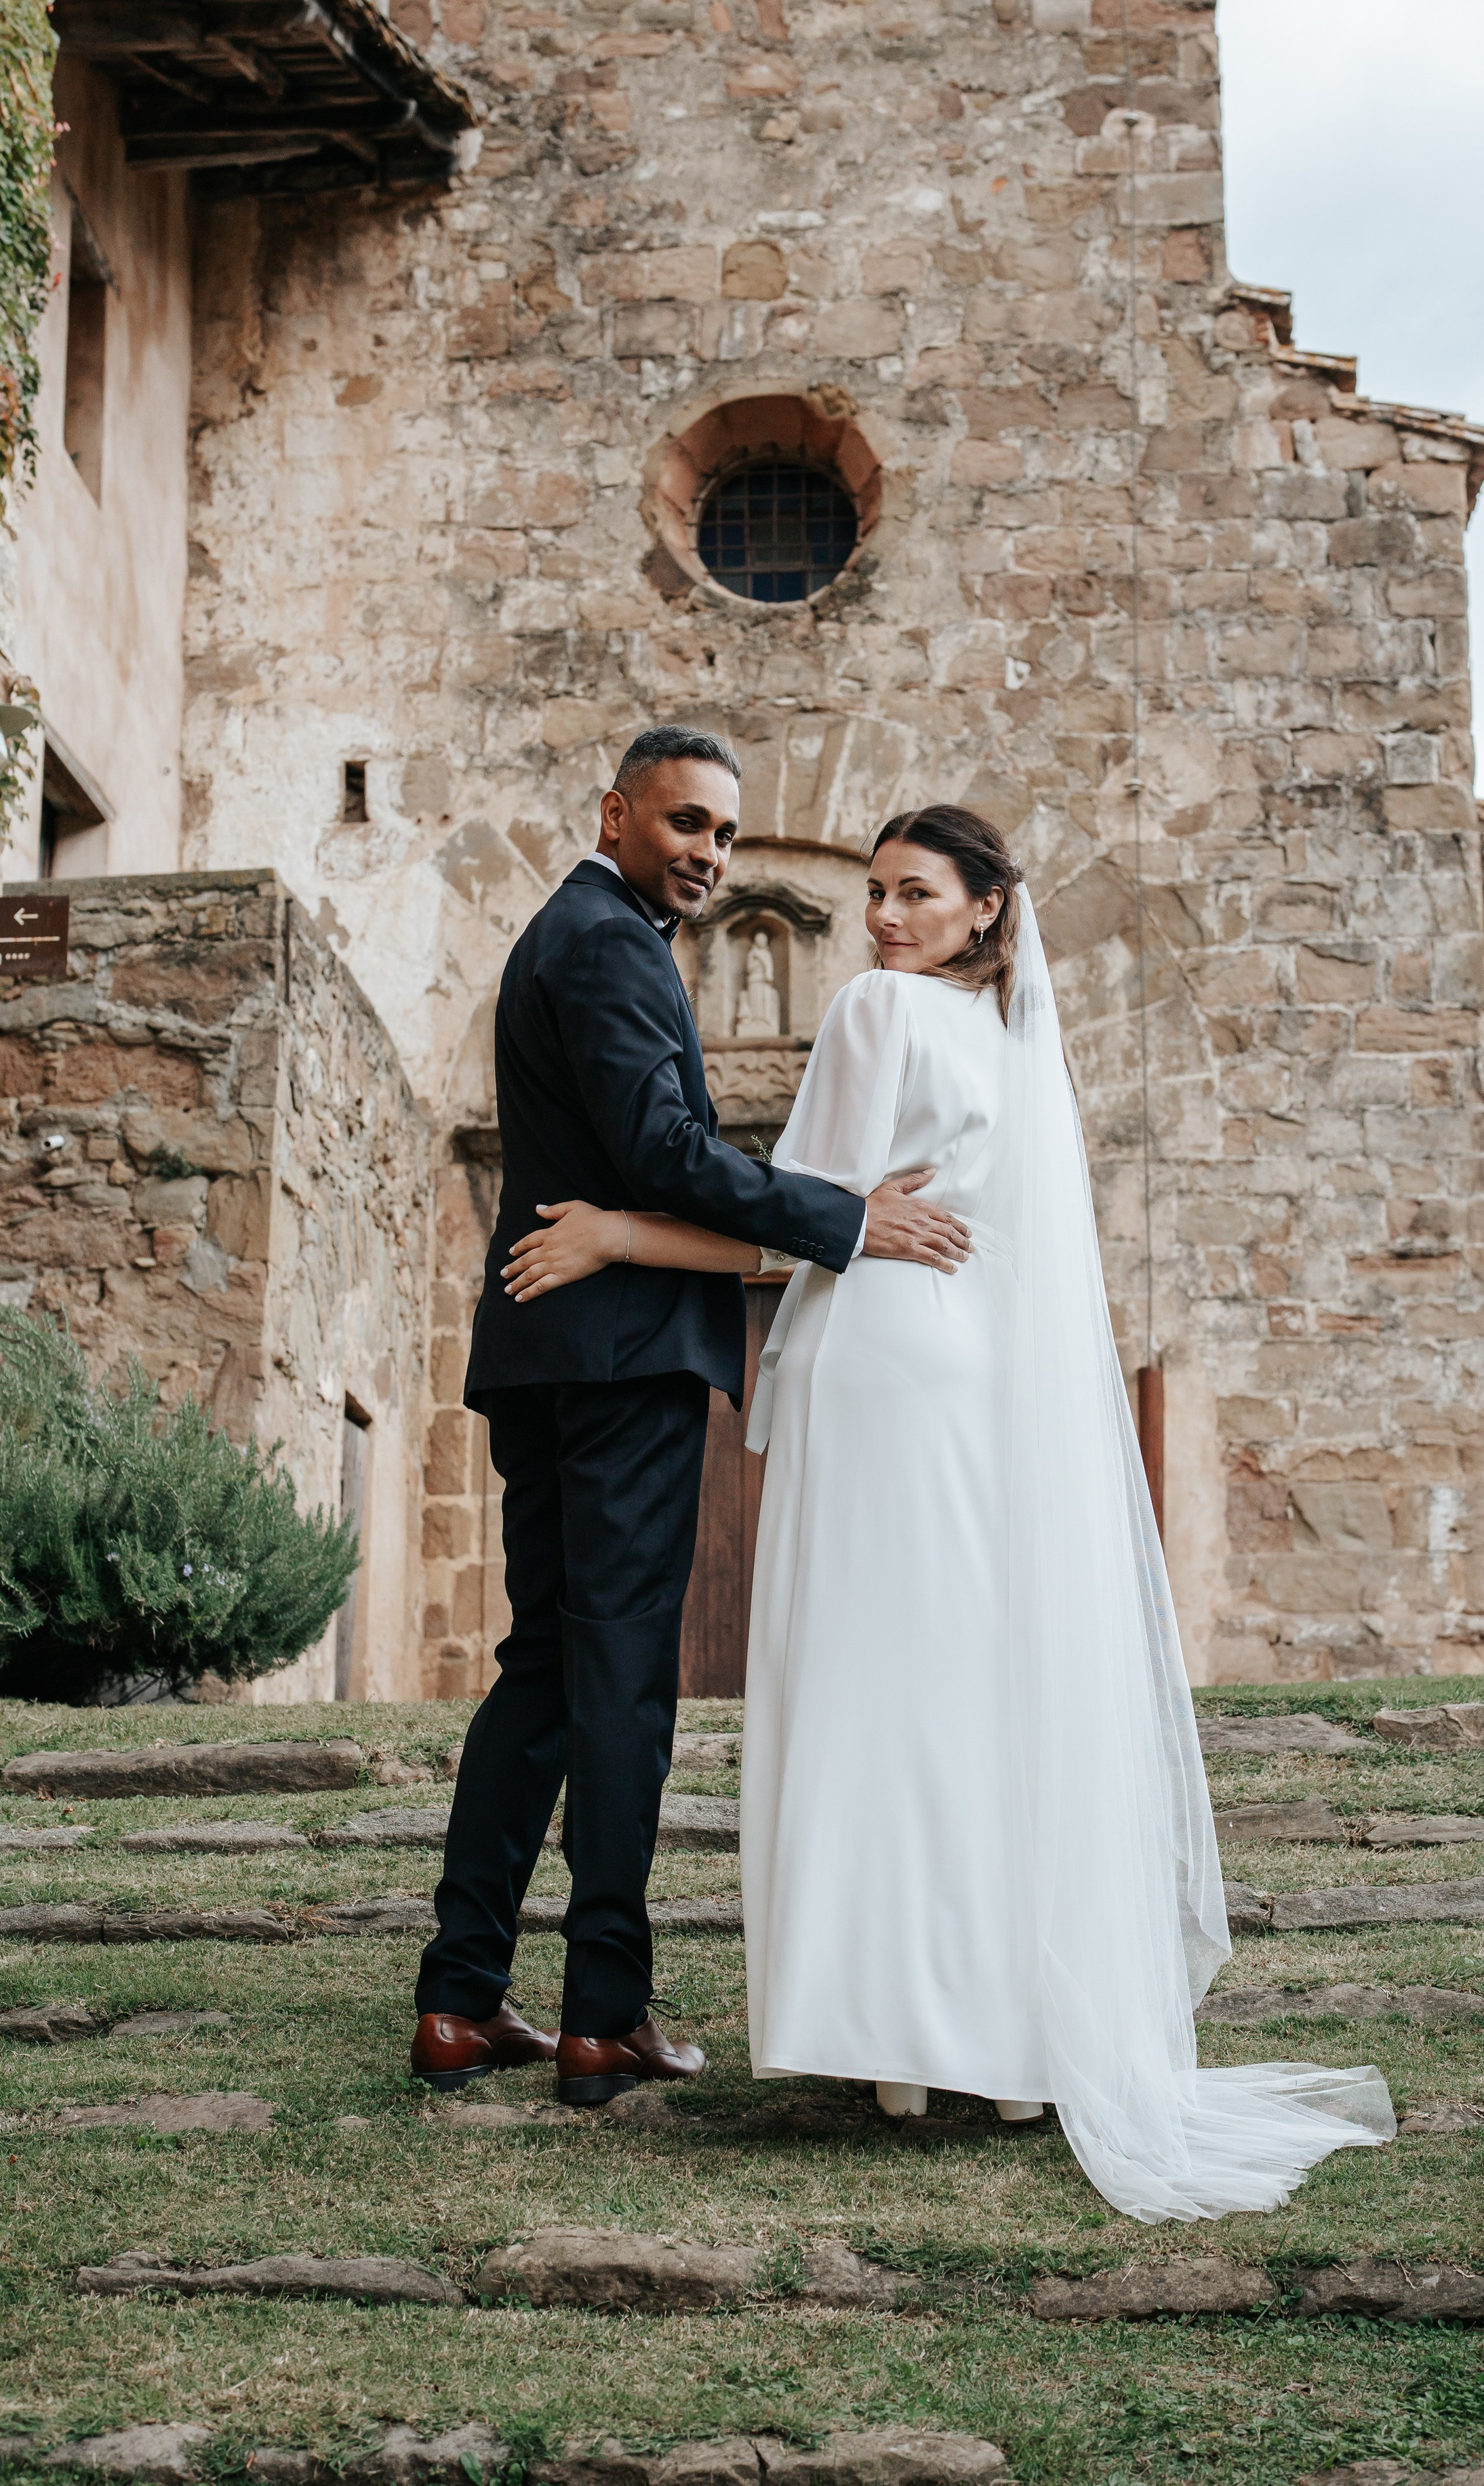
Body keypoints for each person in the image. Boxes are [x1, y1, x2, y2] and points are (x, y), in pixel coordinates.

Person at [508, 801, 1395, 2220]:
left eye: (914, 894)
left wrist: (616, 1232)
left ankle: (900, 2040)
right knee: (976, 1691)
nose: (880, 918)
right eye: (873, 894)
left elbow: (788, 1213)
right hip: (978, 1385)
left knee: (875, 1693)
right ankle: (1006, 2038)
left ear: (984, 908)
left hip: (879, 1375)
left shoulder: (876, 1014)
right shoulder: (1014, 1046)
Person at [408, 729, 970, 2106]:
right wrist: (842, 1218)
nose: (709, 852)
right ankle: (603, 2016)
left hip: (553, 1354)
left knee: (541, 1675)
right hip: (611, 1368)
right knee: (617, 1692)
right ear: (616, 812)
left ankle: (459, 2001)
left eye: (723, 831)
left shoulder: (583, 932)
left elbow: (627, 1157)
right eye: (685, 824)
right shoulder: (605, 942)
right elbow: (662, 1150)